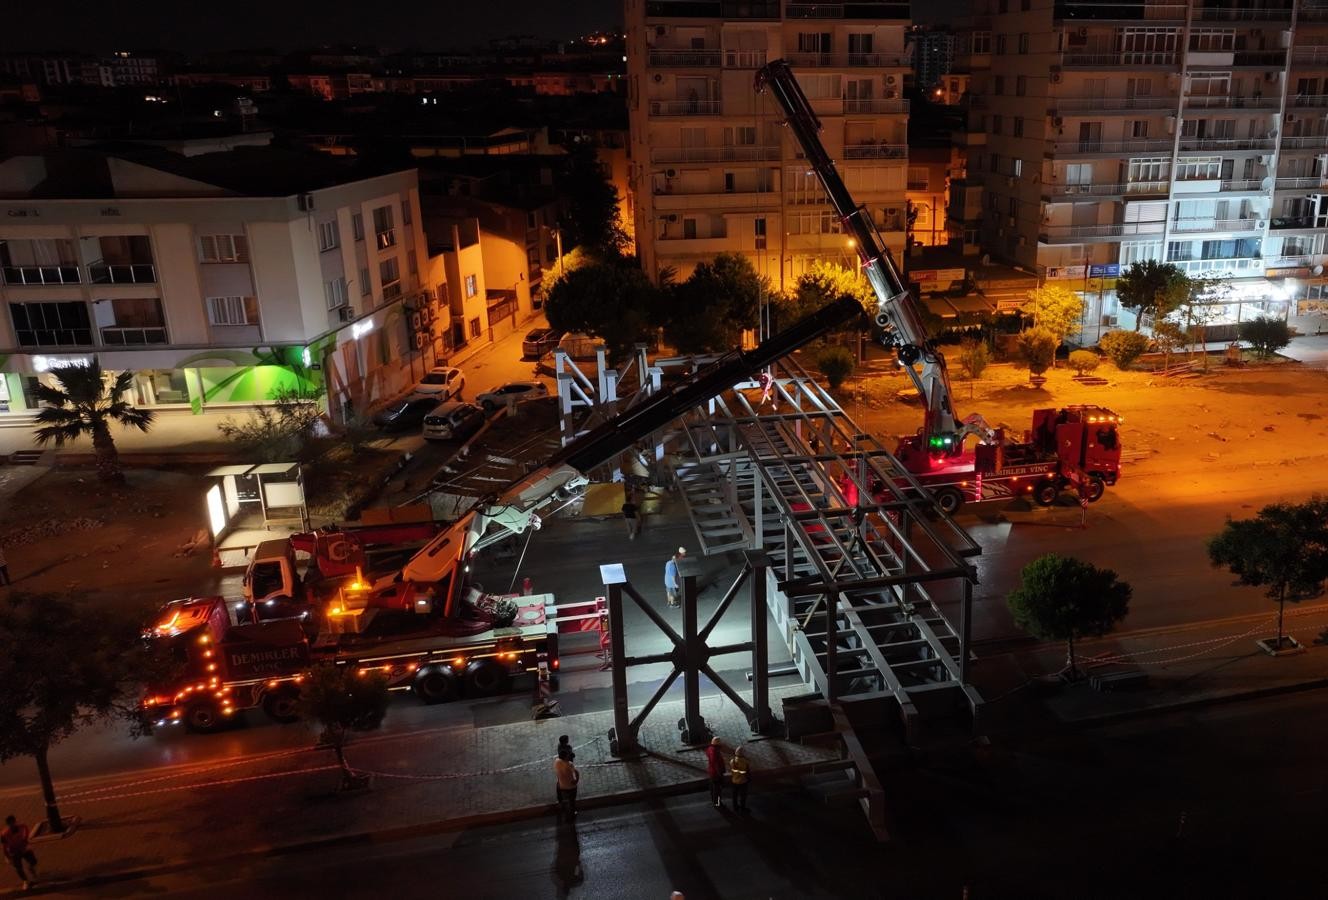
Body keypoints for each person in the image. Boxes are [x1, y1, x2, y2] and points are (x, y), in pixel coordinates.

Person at [1, 815, 37, 889]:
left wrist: (25, 839)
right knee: (18, 868)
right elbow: (4, 846)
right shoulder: (5, 834)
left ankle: (31, 868)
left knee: (33, 861)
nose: (12, 825)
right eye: (10, 823)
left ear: (15, 821)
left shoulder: (21, 827)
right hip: (14, 852)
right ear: (8, 824)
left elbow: (26, 828)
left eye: (13, 822)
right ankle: (25, 881)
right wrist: (7, 856)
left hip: (23, 848)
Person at [554, 747, 580, 822]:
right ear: (565, 757)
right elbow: (576, 772)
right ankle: (572, 815)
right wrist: (576, 780)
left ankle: (566, 814)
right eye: (567, 755)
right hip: (571, 786)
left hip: (562, 786)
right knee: (572, 801)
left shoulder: (556, 761)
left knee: (565, 800)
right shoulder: (569, 764)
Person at [705, 737, 726, 808]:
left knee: (713, 788)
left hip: (712, 772)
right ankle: (718, 803)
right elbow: (716, 763)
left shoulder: (710, 749)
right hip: (716, 774)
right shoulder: (715, 751)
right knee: (718, 789)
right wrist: (720, 773)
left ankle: (714, 801)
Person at [729, 745, 751, 812]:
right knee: (743, 795)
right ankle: (742, 808)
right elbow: (747, 770)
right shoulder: (745, 761)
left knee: (734, 795)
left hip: (734, 780)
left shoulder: (732, 761)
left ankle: (735, 807)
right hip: (743, 781)